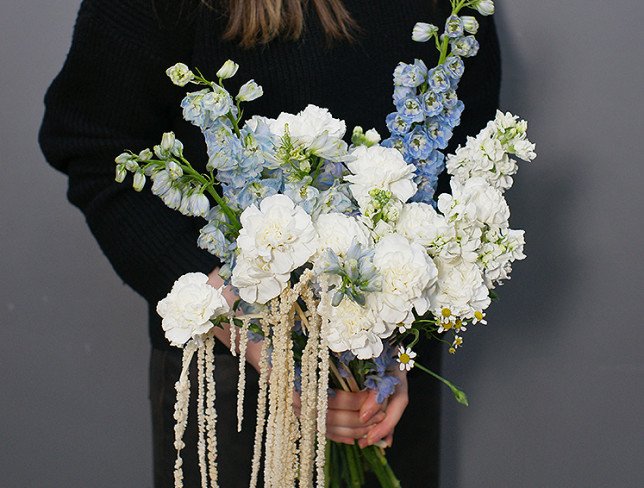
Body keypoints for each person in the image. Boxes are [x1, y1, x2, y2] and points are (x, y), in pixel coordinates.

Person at [39, 0, 500, 486]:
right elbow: (92, 144)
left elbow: (464, 164)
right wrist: (248, 326)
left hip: (383, 388)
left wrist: (390, 347)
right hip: (233, 379)